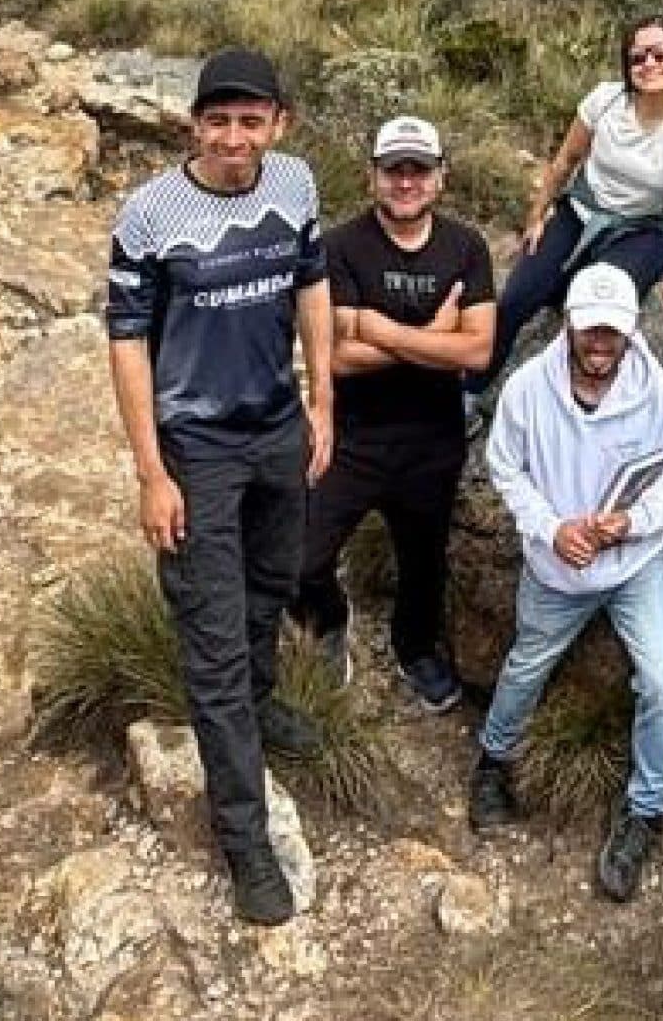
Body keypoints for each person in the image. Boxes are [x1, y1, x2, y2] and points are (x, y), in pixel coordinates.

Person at [104, 47, 335, 928]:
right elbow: (127, 342)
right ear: (194, 125)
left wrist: (324, 398)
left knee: (272, 584)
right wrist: (151, 473)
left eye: (252, 120)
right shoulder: (150, 215)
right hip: (195, 450)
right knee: (212, 645)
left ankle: (262, 702)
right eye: (218, 120)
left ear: (279, 123)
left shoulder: (298, 185)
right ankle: (244, 840)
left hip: (278, 430)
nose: (234, 137)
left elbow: (312, 284)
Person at [469, 262, 663, 904]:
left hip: (636, 560)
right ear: (569, 325)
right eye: (590, 332)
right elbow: (505, 468)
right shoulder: (526, 391)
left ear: (628, 332)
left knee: (660, 681)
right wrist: (549, 528)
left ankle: (648, 810)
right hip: (557, 563)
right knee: (525, 665)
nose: (601, 346)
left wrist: (632, 522)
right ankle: (493, 758)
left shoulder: (653, 388)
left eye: (612, 334)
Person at [291, 114, 495, 713]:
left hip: (431, 440)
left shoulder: (465, 247)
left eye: (418, 169)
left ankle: (415, 650)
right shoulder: (340, 247)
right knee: (301, 560)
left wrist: (377, 328)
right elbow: (335, 359)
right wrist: (434, 336)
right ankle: (329, 621)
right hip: (350, 436)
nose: (406, 181)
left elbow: (478, 349)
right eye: (393, 169)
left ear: (440, 177)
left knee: (423, 562)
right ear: (372, 176)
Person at [467, 13, 663, 401]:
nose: (649, 64)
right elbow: (565, 160)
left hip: (646, 227)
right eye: (638, 57)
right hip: (583, 208)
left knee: (602, 299)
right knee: (520, 294)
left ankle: (574, 401)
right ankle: (470, 391)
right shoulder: (605, 102)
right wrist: (537, 217)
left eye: (660, 54)